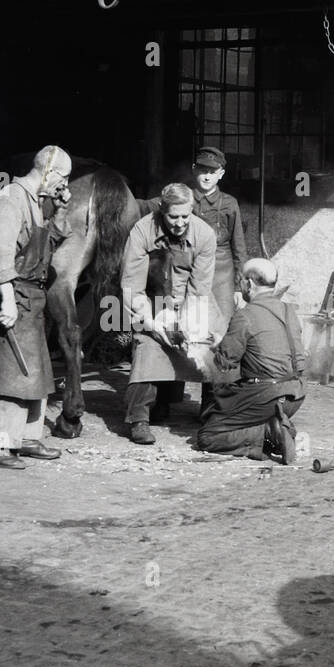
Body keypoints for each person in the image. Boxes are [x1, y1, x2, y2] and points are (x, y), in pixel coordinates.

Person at [0, 145, 72, 469]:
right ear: (50, 173)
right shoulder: (11, 199)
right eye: (63, 179)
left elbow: (50, 243)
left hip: (33, 297)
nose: (63, 186)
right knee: (10, 373)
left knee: (36, 372)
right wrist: (7, 300)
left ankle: (26, 438)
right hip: (13, 295)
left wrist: (59, 210)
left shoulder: (37, 203)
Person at [120, 182, 219, 445]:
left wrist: (187, 326)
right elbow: (132, 287)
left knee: (213, 345)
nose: (179, 223)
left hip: (191, 301)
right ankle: (139, 418)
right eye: (173, 217)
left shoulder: (205, 235)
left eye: (185, 216)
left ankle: (211, 413)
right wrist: (152, 323)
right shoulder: (142, 231)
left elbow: (200, 290)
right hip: (153, 300)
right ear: (162, 211)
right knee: (147, 347)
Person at [197, 257, 305, 464]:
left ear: (249, 283)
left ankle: (268, 432)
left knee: (208, 436)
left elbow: (225, 363)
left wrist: (218, 345)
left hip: (267, 396)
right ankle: (275, 425)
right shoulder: (290, 311)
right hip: (297, 395)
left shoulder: (245, 315)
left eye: (241, 282)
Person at [190, 146, 248, 415]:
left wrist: (238, 286)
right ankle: (165, 399)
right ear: (195, 170)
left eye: (212, 171)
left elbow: (239, 247)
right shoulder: (185, 199)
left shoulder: (229, 204)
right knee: (183, 329)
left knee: (218, 336)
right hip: (189, 271)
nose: (206, 176)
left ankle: (211, 406)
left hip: (221, 273)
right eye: (202, 170)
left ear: (221, 174)